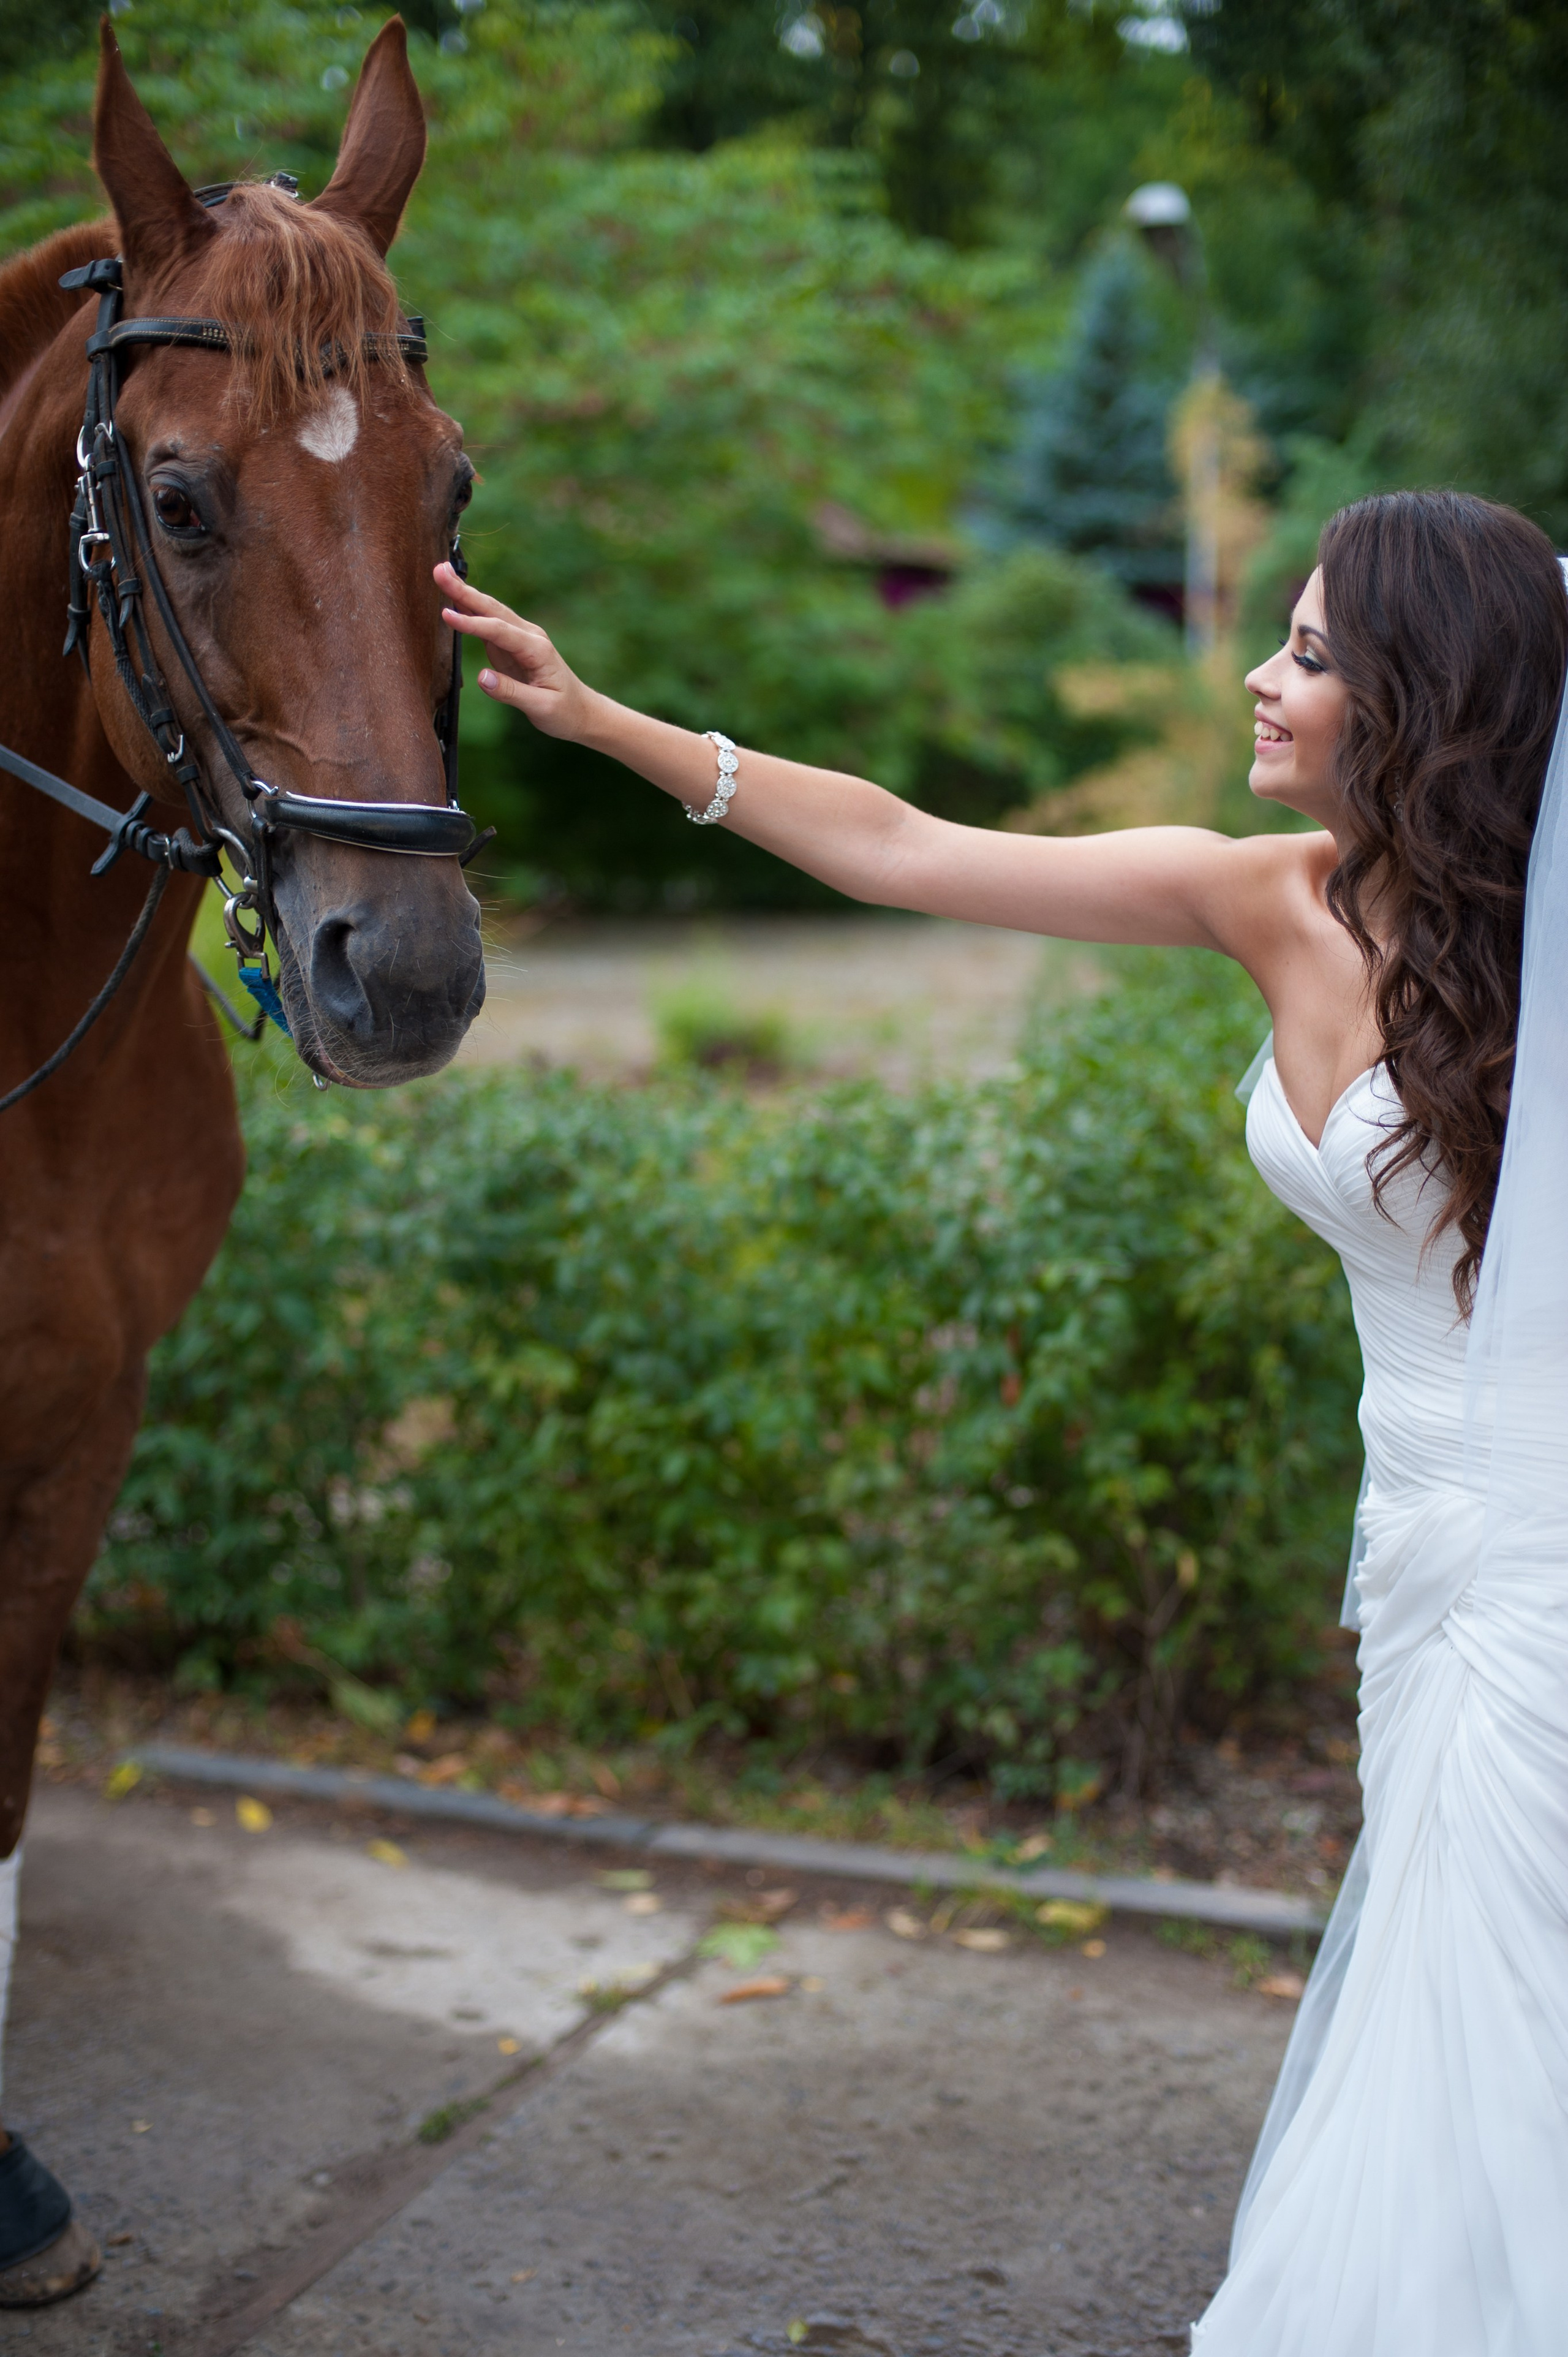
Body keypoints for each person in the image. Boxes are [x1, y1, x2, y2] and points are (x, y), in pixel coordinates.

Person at [436, 487, 1568, 2353]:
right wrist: (599, 716)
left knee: (1506, 2002)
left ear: (1423, 696)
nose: (1266, 684)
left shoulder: (1549, 963)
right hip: (1416, 1563)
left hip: (1540, 1576)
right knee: (1441, 2002)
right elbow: (904, 848)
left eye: (1308, 652)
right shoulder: (1262, 895)